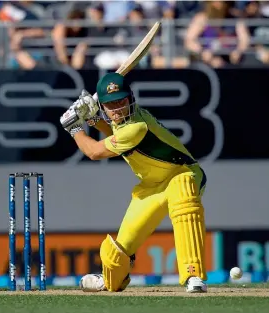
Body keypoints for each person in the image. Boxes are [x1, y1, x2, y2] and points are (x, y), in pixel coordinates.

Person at [59, 72, 208, 293]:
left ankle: (193, 275)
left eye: (121, 102)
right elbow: (114, 136)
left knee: (183, 198)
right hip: (151, 188)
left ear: (131, 98)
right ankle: (110, 279)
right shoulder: (124, 123)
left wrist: (73, 126)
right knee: (118, 252)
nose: (118, 108)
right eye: (111, 105)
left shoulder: (137, 126)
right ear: (103, 106)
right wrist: (93, 119)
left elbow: (93, 151)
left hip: (182, 173)